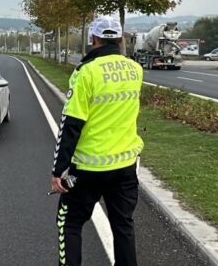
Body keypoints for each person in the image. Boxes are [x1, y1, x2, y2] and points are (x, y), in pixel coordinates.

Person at [51, 16, 144, 266]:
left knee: (69, 223)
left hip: (86, 170)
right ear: (121, 39)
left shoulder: (86, 72)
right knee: (123, 226)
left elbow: (71, 124)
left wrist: (58, 170)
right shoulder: (135, 69)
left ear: (93, 40)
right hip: (125, 167)